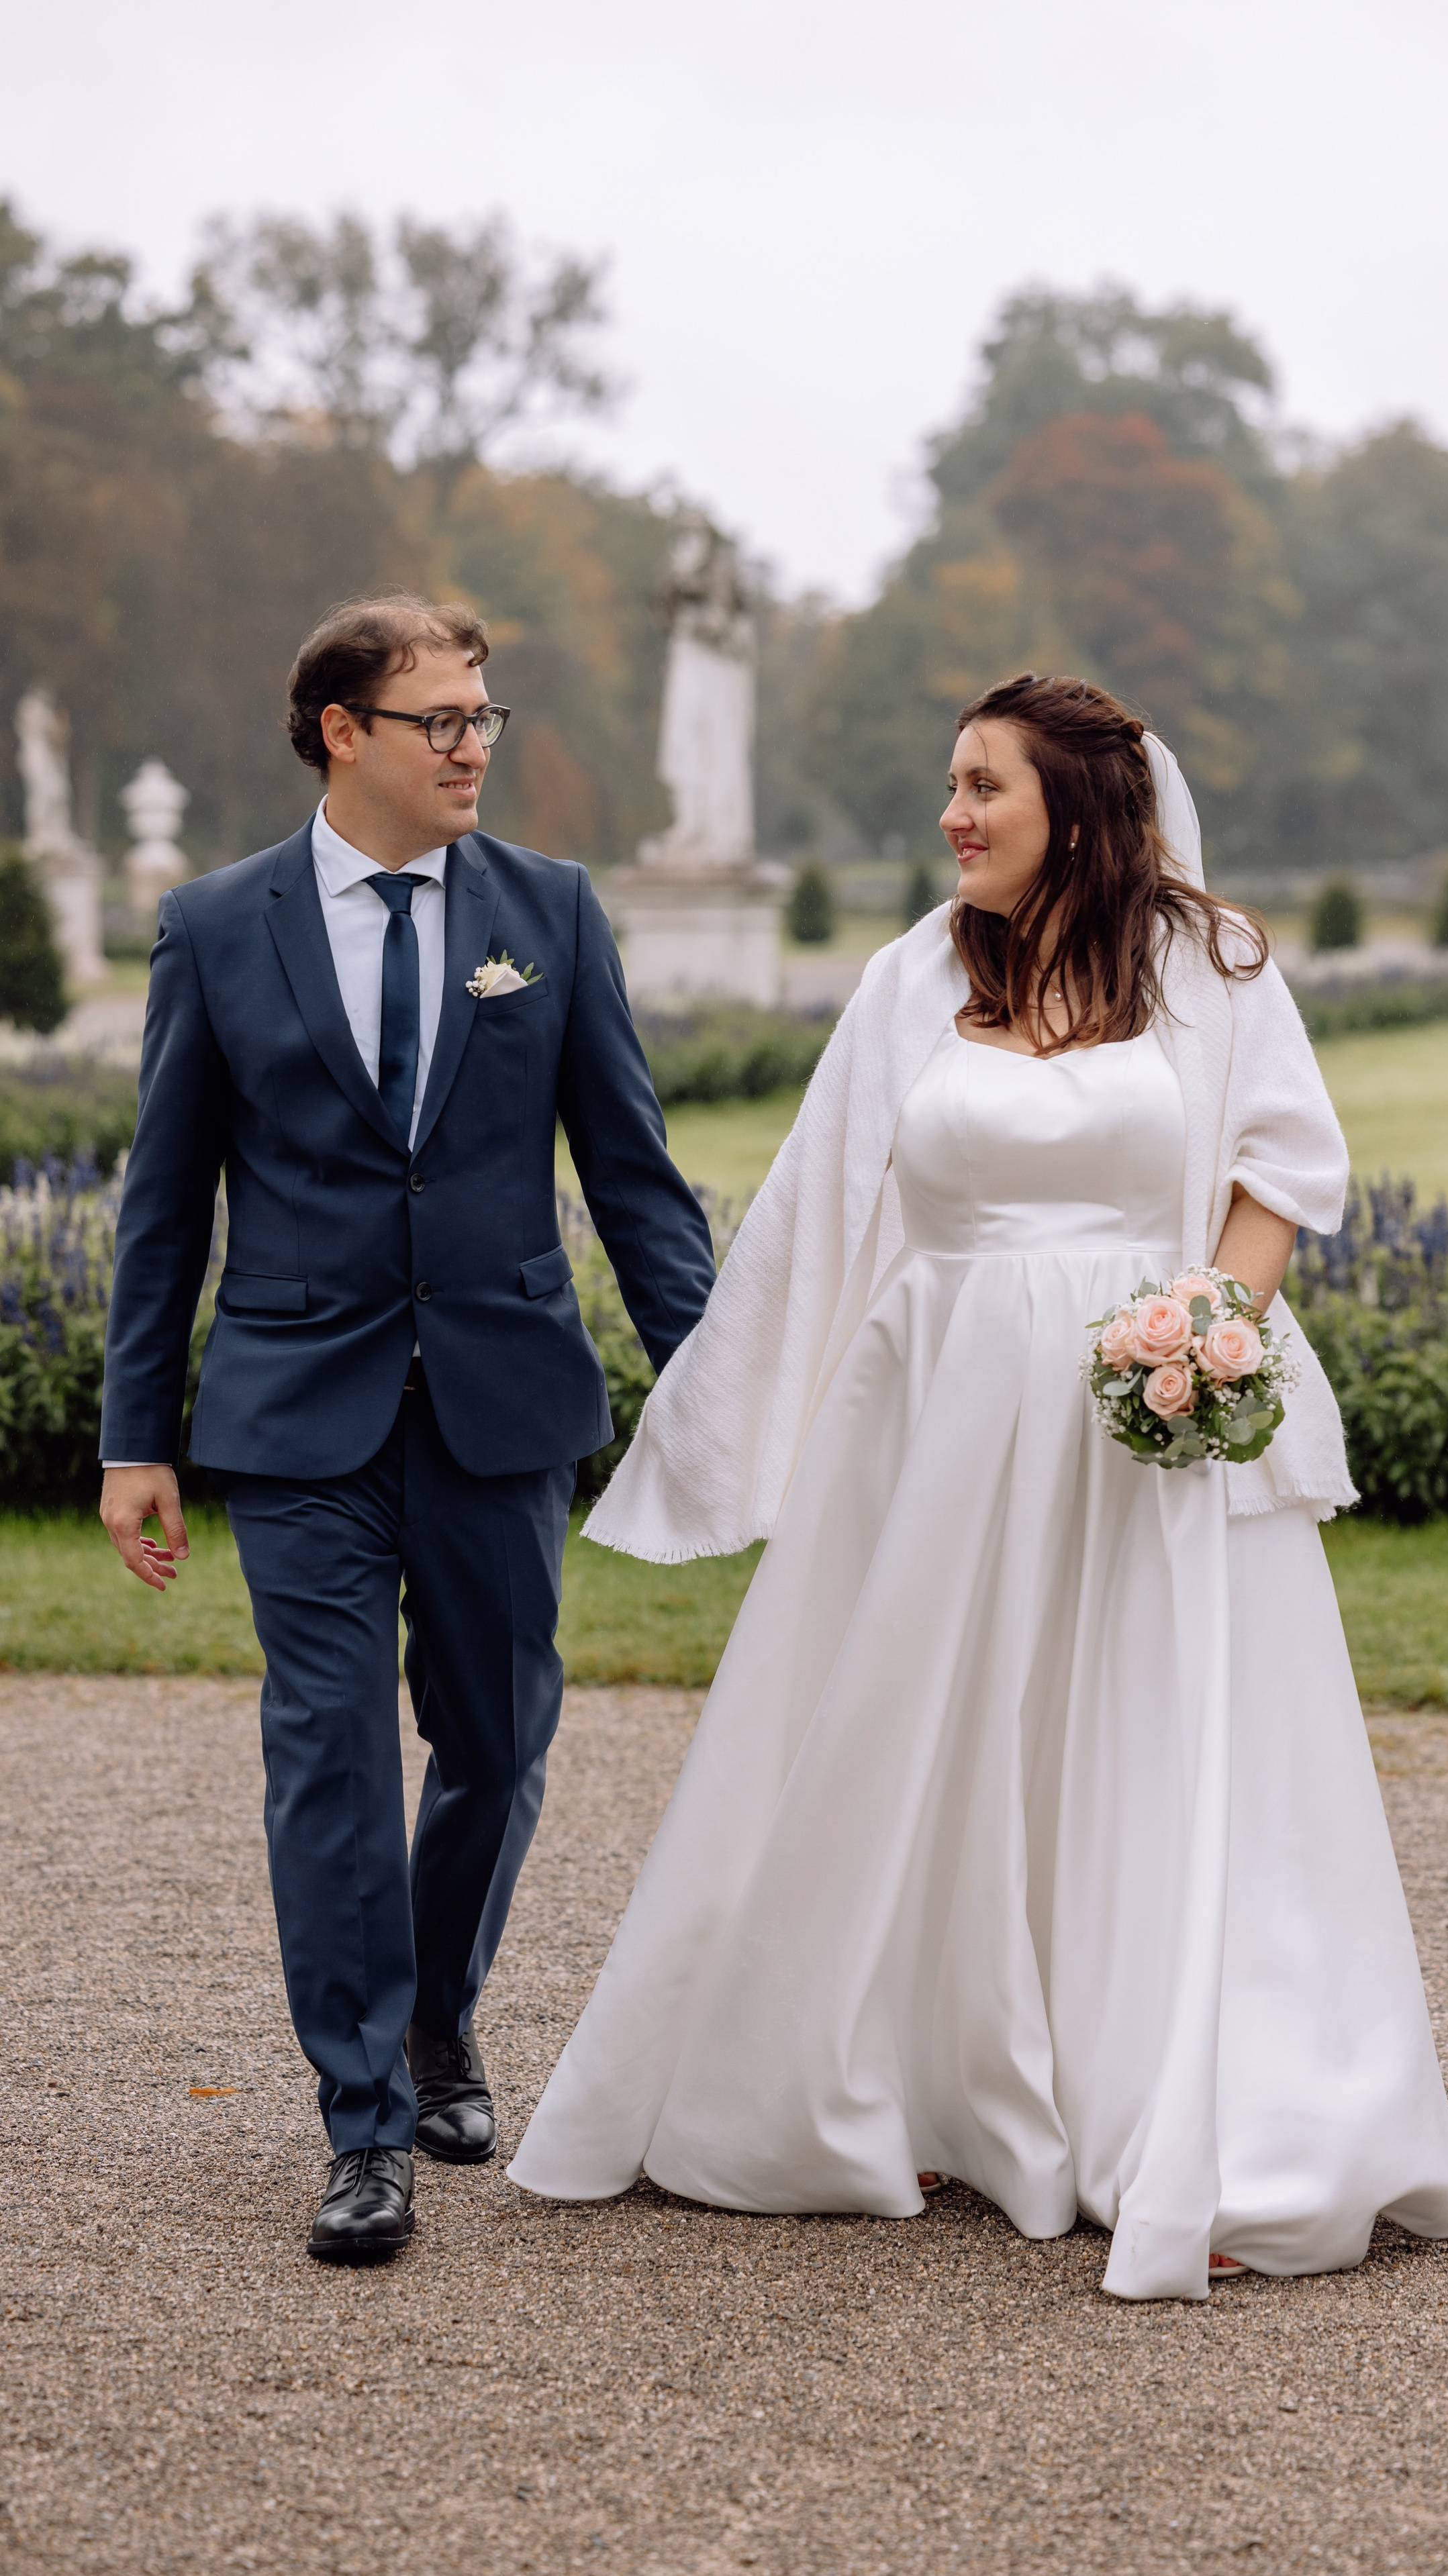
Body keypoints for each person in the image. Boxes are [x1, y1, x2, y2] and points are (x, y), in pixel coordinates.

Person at [509, 673, 1448, 2301]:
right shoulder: (911, 973)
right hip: (937, 1402)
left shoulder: (1209, 962)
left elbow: (1279, 1167)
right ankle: (920, 2073)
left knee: (1140, 1739)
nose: (950, 814)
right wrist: (725, 1416)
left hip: (1135, 1401)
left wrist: (1213, 1332)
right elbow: (815, 1205)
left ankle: (1193, 2107)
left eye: (982, 787)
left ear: (1074, 810)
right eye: (949, 785)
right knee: (920, 1729)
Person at [98, 592, 714, 2265]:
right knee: (332, 1754)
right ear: (340, 732)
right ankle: (361, 2118)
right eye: (440, 717)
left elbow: (635, 1176)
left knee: (499, 1738)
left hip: (502, 1399)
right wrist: (130, 1433)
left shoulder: (551, 912)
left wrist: (712, 1383)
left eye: (483, 716)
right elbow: (163, 1202)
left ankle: (442, 2013)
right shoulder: (216, 926)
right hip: (297, 1407)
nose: (471, 745)